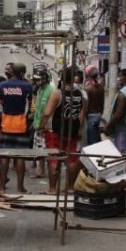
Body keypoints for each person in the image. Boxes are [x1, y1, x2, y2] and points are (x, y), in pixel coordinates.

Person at [43, 67, 87, 195]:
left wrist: (41, 126)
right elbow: (82, 114)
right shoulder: (82, 94)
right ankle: (70, 187)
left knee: (53, 158)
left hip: (56, 131)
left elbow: (47, 113)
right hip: (72, 131)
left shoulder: (58, 93)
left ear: (61, 78)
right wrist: (79, 129)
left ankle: (52, 188)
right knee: (72, 158)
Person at [0, 64, 33, 194]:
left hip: (6, 125)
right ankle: (20, 188)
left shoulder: (2, 85)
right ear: (23, 73)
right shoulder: (27, 86)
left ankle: (1, 186)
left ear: (11, 72)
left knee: (5, 157)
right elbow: (31, 105)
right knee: (20, 157)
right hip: (21, 126)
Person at [83, 66, 105, 146]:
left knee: (91, 141)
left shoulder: (87, 89)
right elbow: (102, 103)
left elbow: (85, 106)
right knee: (95, 137)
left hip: (90, 116)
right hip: (98, 115)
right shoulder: (101, 87)